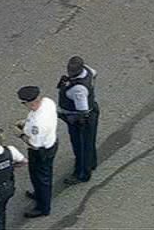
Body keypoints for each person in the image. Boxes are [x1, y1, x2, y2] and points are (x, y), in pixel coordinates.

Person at [16, 85, 59, 218]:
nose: (24, 106)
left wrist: (20, 135)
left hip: (41, 151)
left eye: (24, 103)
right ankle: (40, 194)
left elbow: (34, 144)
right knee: (42, 175)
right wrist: (25, 123)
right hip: (51, 142)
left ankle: (43, 207)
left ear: (31, 102)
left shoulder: (37, 124)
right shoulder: (47, 102)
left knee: (41, 178)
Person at [57, 56, 100, 185]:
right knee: (89, 142)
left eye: (72, 71)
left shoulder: (78, 90)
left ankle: (82, 173)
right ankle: (91, 162)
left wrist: (76, 121)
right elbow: (95, 74)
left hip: (79, 119)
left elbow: (82, 110)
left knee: (81, 146)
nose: (69, 72)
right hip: (93, 110)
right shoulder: (88, 71)